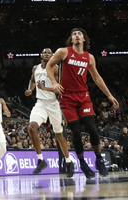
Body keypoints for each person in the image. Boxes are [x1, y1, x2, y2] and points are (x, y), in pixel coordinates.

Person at [46, 28, 118, 178]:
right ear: (71, 40)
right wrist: (54, 82)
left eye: (79, 34)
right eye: (74, 34)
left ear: (84, 39)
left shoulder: (89, 57)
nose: (77, 36)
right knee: (76, 132)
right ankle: (82, 163)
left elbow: (97, 78)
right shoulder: (63, 52)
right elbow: (49, 66)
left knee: (92, 128)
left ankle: (99, 160)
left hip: (83, 97)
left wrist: (110, 96)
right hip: (67, 98)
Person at [24, 48, 76, 177]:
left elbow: (61, 89)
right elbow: (32, 81)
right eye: (44, 53)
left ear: (52, 56)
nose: (46, 54)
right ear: (41, 55)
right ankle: (41, 160)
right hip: (40, 103)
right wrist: (30, 90)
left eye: (49, 53)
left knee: (59, 135)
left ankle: (69, 162)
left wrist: (45, 88)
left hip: (53, 104)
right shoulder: (35, 68)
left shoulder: (56, 68)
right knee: (31, 127)